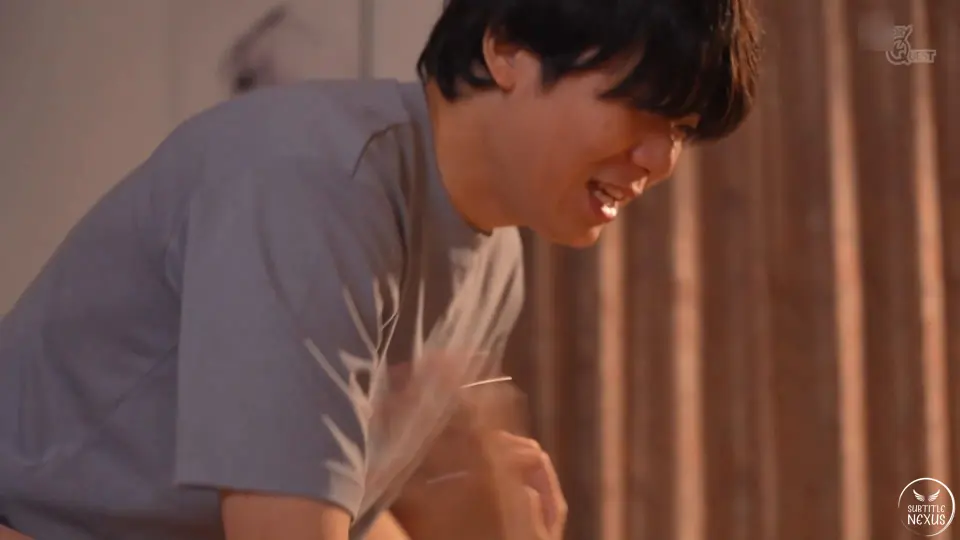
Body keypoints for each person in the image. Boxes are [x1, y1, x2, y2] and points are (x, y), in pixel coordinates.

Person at [0, 0, 762, 538]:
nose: (661, 160)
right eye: (643, 107)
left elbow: (353, 518)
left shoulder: (495, 261)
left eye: (681, 129)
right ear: (507, 50)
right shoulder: (315, 183)